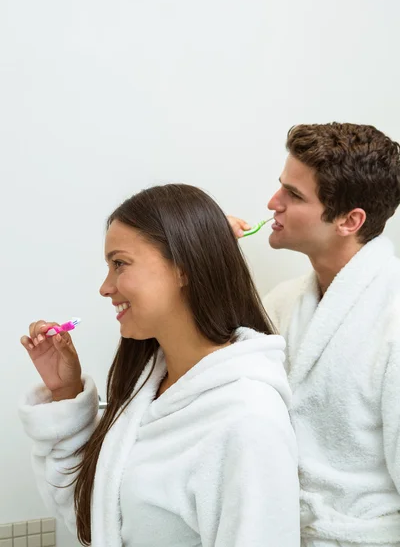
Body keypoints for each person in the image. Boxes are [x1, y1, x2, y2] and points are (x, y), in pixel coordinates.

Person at [19, 184, 300, 547]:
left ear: (183, 268)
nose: (105, 287)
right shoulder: (148, 386)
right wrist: (65, 392)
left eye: (119, 263)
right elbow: (97, 521)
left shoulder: (248, 421)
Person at [229, 122, 400, 547]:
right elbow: (216, 375)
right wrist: (205, 252)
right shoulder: (284, 303)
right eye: (279, 187)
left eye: (294, 195)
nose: (273, 203)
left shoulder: (393, 320)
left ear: (349, 220)